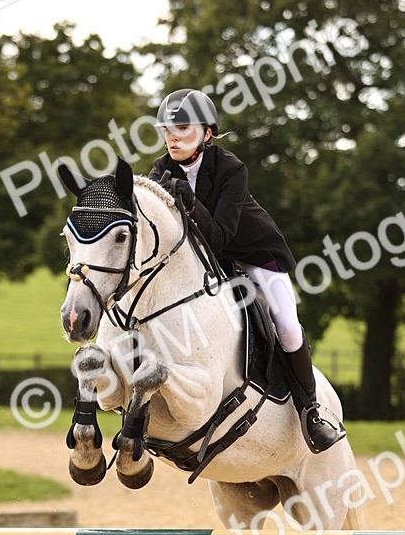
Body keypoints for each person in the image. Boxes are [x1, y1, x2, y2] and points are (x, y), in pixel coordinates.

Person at [148, 88, 345, 453]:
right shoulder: (161, 170)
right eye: (167, 130)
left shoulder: (231, 169)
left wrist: (190, 203)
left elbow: (221, 236)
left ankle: (311, 413)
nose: (172, 137)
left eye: (182, 129)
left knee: (285, 324)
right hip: (209, 260)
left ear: (207, 133)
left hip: (255, 254)